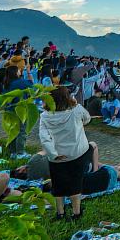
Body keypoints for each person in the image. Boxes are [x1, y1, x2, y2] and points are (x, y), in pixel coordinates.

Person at [38, 86, 93, 219]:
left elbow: (44, 137)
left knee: (58, 184)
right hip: (77, 152)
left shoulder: (45, 116)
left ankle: (60, 213)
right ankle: (76, 213)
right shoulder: (76, 110)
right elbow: (87, 119)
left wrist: (53, 154)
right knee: (75, 182)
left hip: (57, 156)